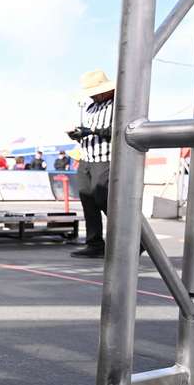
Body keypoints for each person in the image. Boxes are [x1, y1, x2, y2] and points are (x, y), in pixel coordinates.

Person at [67, 69, 115, 258]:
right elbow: (89, 131)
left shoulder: (119, 104)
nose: (93, 96)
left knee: (104, 199)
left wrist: (92, 131)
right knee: (87, 197)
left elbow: (118, 130)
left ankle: (135, 239)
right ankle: (94, 243)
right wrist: (79, 135)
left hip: (105, 158)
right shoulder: (90, 107)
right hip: (87, 157)